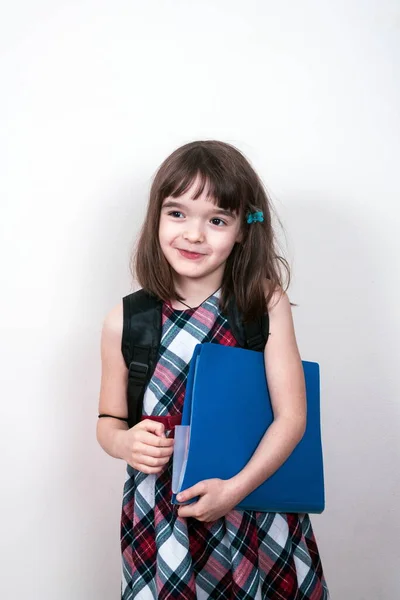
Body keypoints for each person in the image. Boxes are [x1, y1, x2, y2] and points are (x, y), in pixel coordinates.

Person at [97, 140, 330, 599]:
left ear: (244, 229)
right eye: (178, 213)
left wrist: (235, 491)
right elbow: (108, 422)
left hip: (253, 502)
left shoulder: (262, 303)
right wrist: (124, 442)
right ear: (156, 217)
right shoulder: (126, 319)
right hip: (164, 512)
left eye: (217, 220)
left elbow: (292, 417)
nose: (194, 235)